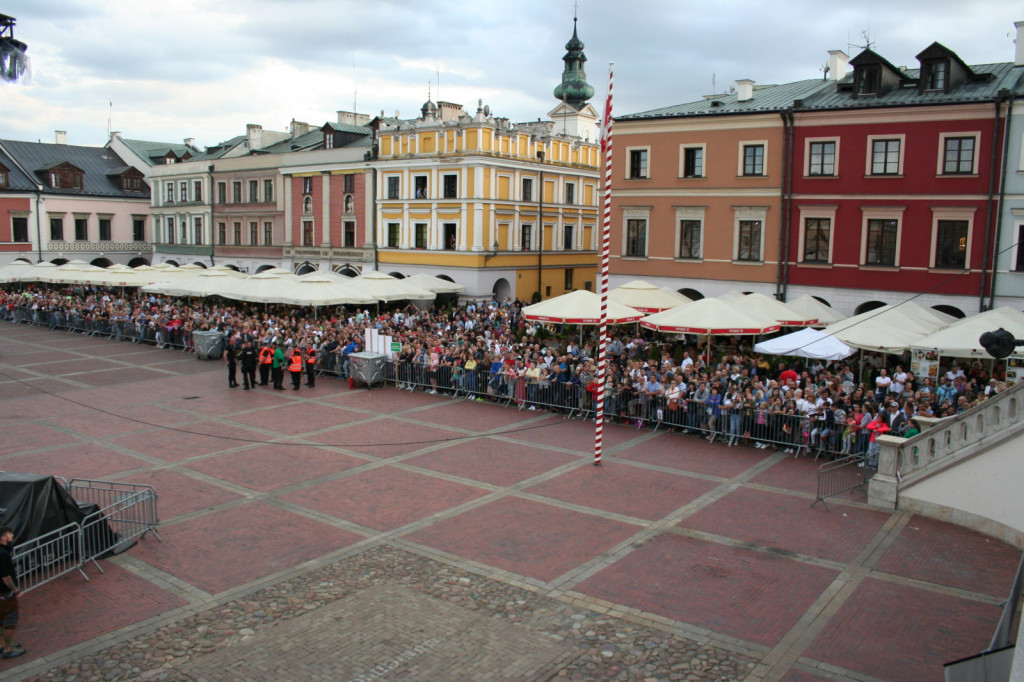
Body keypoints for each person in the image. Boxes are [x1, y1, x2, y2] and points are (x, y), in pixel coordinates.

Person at [0, 526, 25, 660]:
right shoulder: (3, 554)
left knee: (1, 620)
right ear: (3, 537)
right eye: (10, 534)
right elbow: (6, 577)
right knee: (10, 621)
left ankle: (3, 644)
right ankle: (8, 649)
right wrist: (16, 590)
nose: (12, 535)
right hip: (5, 594)